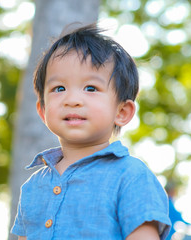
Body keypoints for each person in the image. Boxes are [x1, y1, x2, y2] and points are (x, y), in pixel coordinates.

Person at [11, 23, 171, 240]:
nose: (73, 100)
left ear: (122, 111)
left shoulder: (131, 176)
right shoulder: (32, 187)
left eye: (91, 88)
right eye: (59, 88)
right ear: (43, 110)